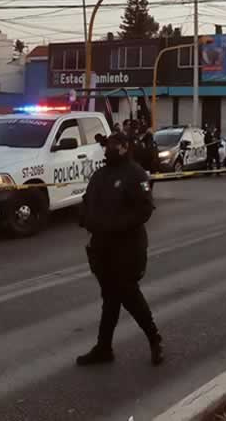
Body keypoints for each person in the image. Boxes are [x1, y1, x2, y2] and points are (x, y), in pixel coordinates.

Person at [77, 132, 163, 367]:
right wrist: (85, 217)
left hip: (127, 247)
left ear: (126, 147)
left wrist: (116, 225)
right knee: (110, 298)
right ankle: (104, 347)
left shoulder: (135, 174)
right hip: (101, 247)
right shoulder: (101, 174)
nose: (110, 149)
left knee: (129, 294)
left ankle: (154, 339)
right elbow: (87, 200)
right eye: (108, 145)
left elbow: (145, 210)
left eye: (115, 145)